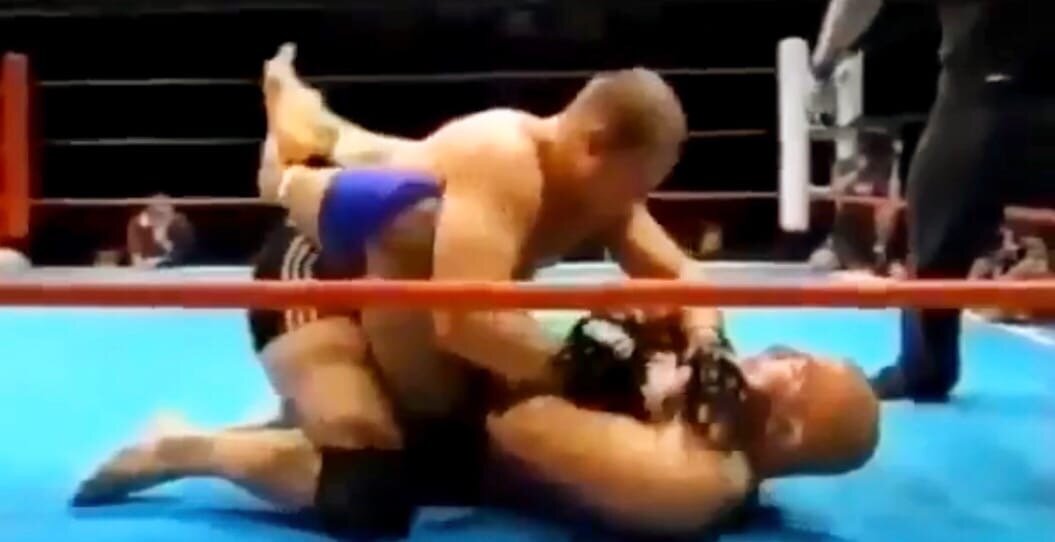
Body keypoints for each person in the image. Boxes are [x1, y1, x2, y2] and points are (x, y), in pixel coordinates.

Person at [74, 44, 878, 537]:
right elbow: (462, 327)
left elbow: (681, 278)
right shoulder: (508, 161)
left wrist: (696, 342)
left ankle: (319, 138)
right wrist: (600, 362)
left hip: (423, 302)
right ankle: (188, 443)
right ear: (595, 146)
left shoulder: (602, 193)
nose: (640, 206)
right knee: (377, 460)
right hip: (322, 274)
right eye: (637, 183)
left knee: (404, 464)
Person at [74, 311, 879, 536]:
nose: (785, 355)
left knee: (369, 489)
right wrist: (679, 345)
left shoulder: (699, 477)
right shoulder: (720, 399)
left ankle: (189, 448)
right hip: (462, 385)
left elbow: (522, 427)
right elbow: (685, 300)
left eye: (800, 372)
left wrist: (603, 366)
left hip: (477, 427)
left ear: (790, 433)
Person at [811, 0, 1055, 401]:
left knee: (935, 225)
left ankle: (923, 369)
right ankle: (923, 368)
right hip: (986, 83)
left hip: (981, 90)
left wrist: (824, 59)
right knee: (934, 216)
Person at [125, 194, 196, 268]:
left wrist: (163, 241)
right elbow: (137, 261)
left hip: (175, 269)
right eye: (156, 214)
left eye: (165, 215)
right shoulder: (137, 223)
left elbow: (184, 260)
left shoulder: (180, 224)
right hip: (147, 270)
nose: (160, 219)